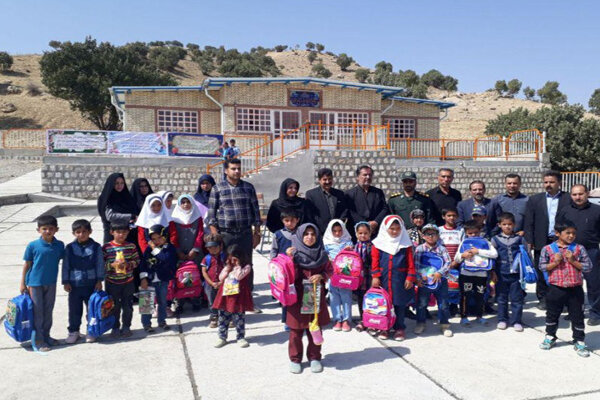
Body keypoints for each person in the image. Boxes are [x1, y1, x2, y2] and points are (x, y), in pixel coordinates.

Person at [207, 158, 261, 297]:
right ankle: (227, 299)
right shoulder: (218, 189)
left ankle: (247, 298)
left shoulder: (248, 188)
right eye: (233, 168)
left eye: (238, 168)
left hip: (245, 233)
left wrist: (257, 234)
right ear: (226, 170)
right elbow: (211, 215)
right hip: (226, 235)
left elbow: (256, 212)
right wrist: (216, 236)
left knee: (247, 265)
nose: (237, 171)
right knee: (227, 265)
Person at [539, 221, 592, 357]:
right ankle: (550, 336)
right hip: (556, 288)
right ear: (557, 233)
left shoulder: (579, 248)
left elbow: (588, 266)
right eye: (567, 233)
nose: (571, 236)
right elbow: (542, 267)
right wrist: (555, 262)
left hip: (575, 289)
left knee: (577, 315)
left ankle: (579, 340)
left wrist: (573, 261)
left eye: (573, 233)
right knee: (552, 313)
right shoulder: (548, 249)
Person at [285, 223, 331, 374]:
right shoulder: (293, 253)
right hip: (297, 297)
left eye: (313, 234)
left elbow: (330, 270)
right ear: (299, 236)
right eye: (306, 234)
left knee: (315, 328)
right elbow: (285, 273)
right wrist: (289, 259)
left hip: (314, 295)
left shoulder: (322, 254)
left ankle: (315, 357)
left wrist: (321, 276)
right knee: (296, 331)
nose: (310, 237)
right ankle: (295, 359)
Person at [523, 170, 570, 310]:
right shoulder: (535, 199)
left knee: (563, 269)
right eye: (546, 182)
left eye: (552, 182)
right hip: (541, 240)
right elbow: (529, 221)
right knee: (542, 269)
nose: (548, 185)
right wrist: (529, 240)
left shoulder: (568, 198)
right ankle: (543, 298)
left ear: (559, 183)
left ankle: (564, 300)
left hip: (561, 241)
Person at [555, 184, 600, 326]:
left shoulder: (597, 210)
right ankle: (575, 311)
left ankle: (595, 313)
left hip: (590, 251)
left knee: (593, 284)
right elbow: (558, 229)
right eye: (574, 194)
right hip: (569, 251)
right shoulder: (565, 211)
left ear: (587, 194)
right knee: (572, 283)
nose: (578, 197)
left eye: (580, 194)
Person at [20, 215, 65, 352]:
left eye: (51, 229)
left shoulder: (59, 245)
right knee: (37, 312)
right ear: (38, 230)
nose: (47, 231)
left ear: (56, 229)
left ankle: (47, 336)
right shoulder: (33, 245)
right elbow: (27, 265)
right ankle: (38, 340)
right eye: (44, 229)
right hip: (35, 284)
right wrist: (23, 283)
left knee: (48, 311)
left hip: (51, 283)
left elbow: (68, 261)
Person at [371, 215, 416, 341]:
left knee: (399, 304)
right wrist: (375, 276)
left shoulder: (405, 244)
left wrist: (410, 277)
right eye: (392, 229)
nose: (395, 232)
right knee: (383, 304)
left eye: (397, 229)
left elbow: (410, 263)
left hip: (399, 280)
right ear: (386, 229)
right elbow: (375, 261)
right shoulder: (378, 244)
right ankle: (384, 328)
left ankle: (399, 328)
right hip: (383, 279)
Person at [62, 219, 104, 344]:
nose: (81, 234)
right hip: (75, 285)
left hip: (91, 284)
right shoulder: (69, 248)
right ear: (73, 233)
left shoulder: (96, 247)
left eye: (84, 231)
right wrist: (66, 281)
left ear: (90, 232)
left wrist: (99, 280)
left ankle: (91, 330)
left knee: (92, 309)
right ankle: (74, 331)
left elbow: (100, 264)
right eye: (78, 232)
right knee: (74, 310)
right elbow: (66, 265)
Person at [455, 220, 498, 326]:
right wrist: (463, 255)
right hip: (466, 274)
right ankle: (464, 317)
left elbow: (494, 254)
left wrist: (478, 251)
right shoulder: (464, 242)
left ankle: (480, 316)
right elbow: (457, 257)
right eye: (470, 233)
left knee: (481, 295)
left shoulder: (485, 242)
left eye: (475, 232)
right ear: (466, 233)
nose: (473, 235)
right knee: (465, 295)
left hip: (481, 275)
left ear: (480, 231)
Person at [413, 224, 453, 337]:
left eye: (433, 234)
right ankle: (420, 323)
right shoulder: (419, 249)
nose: (430, 236)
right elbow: (416, 265)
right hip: (424, 282)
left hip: (440, 281)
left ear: (437, 235)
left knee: (443, 303)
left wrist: (439, 273)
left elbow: (448, 263)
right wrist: (418, 278)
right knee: (421, 304)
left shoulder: (442, 249)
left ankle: (444, 324)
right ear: (423, 236)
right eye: (427, 234)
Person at [102, 220, 140, 339]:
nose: (121, 235)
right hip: (112, 282)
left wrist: (128, 265)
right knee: (114, 306)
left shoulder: (131, 246)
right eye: (118, 232)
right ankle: (115, 327)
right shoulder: (106, 247)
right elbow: (101, 265)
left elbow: (137, 261)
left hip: (128, 282)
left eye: (124, 232)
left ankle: (126, 327)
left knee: (127, 306)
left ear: (128, 232)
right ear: (111, 232)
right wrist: (111, 266)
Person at [490, 213, 528, 332]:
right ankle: (502, 319)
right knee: (501, 298)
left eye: (510, 224)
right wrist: (493, 272)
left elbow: (526, 256)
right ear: (499, 225)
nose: (507, 227)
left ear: (514, 225)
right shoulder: (495, 239)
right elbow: (492, 257)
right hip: (501, 273)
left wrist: (526, 272)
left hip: (516, 274)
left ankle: (516, 320)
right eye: (504, 224)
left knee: (517, 298)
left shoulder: (520, 239)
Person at [212, 244, 254, 348]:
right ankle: (222, 337)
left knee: (239, 318)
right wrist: (228, 268)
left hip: (239, 296)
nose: (232, 260)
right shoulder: (228, 267)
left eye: (234, 257)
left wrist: (238, 265)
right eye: (230, 257)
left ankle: (240, 337)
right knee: (223, 317)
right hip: (226, 295)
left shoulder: (247, 267)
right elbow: (221, 277)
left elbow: (238, 276)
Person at [139, 224, 178, 333]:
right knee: (146, 302)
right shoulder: (148, 249)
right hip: (149, 280)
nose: (156, 241)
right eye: (153, 239)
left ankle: (162, 321)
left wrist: (154, 248)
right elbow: (143, 264)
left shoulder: (169, 248)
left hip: (162, 280)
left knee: (162, 302)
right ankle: (146, 324)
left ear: (165, 236)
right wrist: (143, 278)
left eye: (159, 238)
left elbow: (164, 258)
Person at [270, 209, 301, 330]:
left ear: (297, 220)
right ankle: (287, 321)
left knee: (298, 294)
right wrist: (274, 265)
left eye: (292, 220)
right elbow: (273, 251)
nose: (289, 223)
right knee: (286, 296)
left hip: (299, 267)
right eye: (286, 220)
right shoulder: (278, 234)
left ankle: (298, 320)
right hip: (284, 270)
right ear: (282, 221)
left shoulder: (301, 233)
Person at [323, 219, 354, 332]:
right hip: (333, 275)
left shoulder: (347, 242)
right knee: (334, 296)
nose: (337, 233)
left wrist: (350, 250)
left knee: (346, 296)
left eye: (340, 230)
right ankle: (337, 319)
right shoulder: (326, 243)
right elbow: (323, 257)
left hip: (346, 275)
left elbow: (353, 258)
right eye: (334, 231)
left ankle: (346, 320)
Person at [345, 165, 389, 239]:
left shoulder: (378, 192)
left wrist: (375, 222)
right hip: (357, 232)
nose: (368, 177)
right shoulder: (349, 194)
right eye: (365, 175)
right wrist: (365, 225)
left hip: (376, 232)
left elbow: (384, 209)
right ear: (358, 177)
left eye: (370, 175)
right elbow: (350, 211)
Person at [305, 168, 348, 234]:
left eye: (329, 179)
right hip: (319, 231)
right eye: (324, 179)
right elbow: (310, 214)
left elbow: (344, 210)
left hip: (337, 231)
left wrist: (339, 224)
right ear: (319, 180)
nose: (327, 182)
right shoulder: (311, 194)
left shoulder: (339, 194)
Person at [97, 173, 137, 244]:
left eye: (122, 183)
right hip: (112, 233)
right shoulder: (106, 198)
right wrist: (130, 216)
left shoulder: (127, 197)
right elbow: (110, 216)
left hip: (127, 233)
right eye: (116, 183)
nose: (120, 186)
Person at [201, 234, 226, 328]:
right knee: (212, 301)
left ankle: (226, 317)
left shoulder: (225, 257)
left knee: (224, 300)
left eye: (215, 247)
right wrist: (211, 283)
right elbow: (204, 272)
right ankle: (214, 317)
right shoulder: (206, 258)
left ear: (220, 246)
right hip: (210, 284)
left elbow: (228, 270)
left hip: (223, 283)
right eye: (210, 248)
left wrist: (221, 282)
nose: (213, 249)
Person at [353, 221, 373, 332]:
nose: (363, 235)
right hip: (359, 279)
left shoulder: (373, 246)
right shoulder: (354, 246)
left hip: (369, 277)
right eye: (360, 233)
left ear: (370, 233)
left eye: (365, 233)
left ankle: (371, 320)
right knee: (360, 299)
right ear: (356, 234)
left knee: (370, 300)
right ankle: (363, 320)